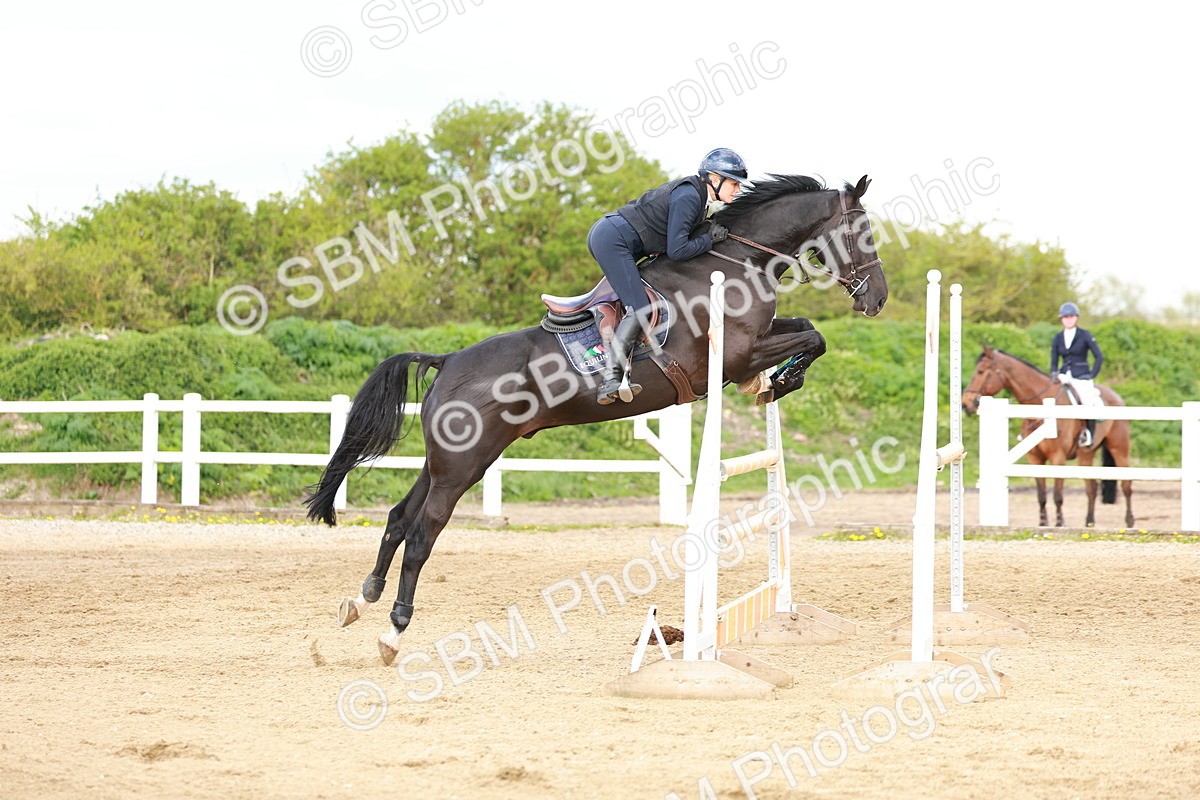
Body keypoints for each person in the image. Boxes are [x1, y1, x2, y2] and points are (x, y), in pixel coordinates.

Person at [587, 147, 748, 404]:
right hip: (612, 240)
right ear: (714, 179)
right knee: (639, 308)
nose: (737, 190)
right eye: (733, 183)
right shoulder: (688, 197)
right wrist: (709, 240)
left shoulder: (698, 197)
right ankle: (611, 379)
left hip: (622, 239)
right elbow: (678, 250)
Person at [1050, 301, 1104, 447]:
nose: (1068, 319)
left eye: (1071, 316)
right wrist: (1054, 372)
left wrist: (1092, 375)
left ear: (1076, 318)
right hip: (1063, 375)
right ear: (1061, 319)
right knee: (1047, 397)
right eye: (1065, 317)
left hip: (1081, 376)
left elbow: (1099, 356)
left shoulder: (1085, 335)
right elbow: (1054, 360)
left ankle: (1088, 433)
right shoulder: (1057, 338)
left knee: (1088, 401)